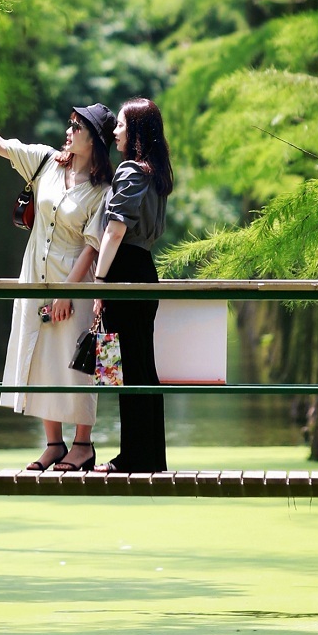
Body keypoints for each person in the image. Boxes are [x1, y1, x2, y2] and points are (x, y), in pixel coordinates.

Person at [0, 94, 115, 472]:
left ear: (94, 140)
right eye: (70, 124)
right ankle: (54, 444)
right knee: (41, 357)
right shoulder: (45, 162)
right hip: (35, 277)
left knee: (81, 364)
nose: (69, 131)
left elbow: (92, 248)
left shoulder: (102, 190)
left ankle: (84, 445)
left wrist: (67, 293)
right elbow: (2, 146)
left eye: (78, 127)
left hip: (76, 282)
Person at [92, 97, 174, 473]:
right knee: (142, 364)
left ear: (137, 130)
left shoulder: (130, 172)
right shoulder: (156, 175)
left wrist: (98, 281)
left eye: (122, 124)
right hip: (144, 269)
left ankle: (133, 456)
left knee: (129, 366)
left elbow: (115, 230)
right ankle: (149, 454)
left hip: (124, 268)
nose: (115, 131)